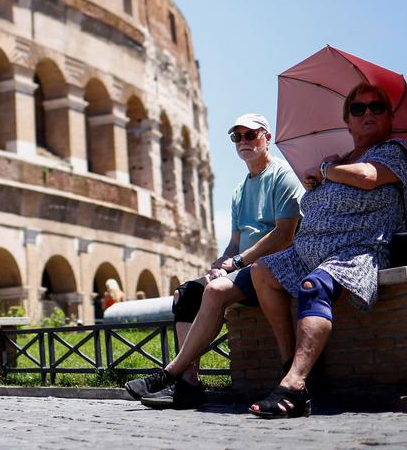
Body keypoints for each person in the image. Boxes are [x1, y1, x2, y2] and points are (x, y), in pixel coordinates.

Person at [248, 84, 407, 418]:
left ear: (389, 117)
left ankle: (294, 386)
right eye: (359, 109)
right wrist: (321, 178)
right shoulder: (340, 160)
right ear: (347, 120)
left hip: (359, 250)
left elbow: (369, 178)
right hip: (309, 249)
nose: (368, 113)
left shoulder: (394, 151)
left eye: (377, 107)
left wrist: (326, 172)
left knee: (313, 287)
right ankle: (292, 364)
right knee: (262, 270)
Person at [125, 113, 304, 409]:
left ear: (267, 138)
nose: (243, 141)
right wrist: (218, 265)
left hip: (276, 265)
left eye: (251, 135)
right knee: (186, 293)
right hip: (243, 268)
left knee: (216, 291)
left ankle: (169, 372)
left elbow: (284, 234)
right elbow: (234, 242)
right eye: (237, 137)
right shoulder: (239, 191)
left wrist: (236, 261)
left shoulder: (284, 175)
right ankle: (188, 386)